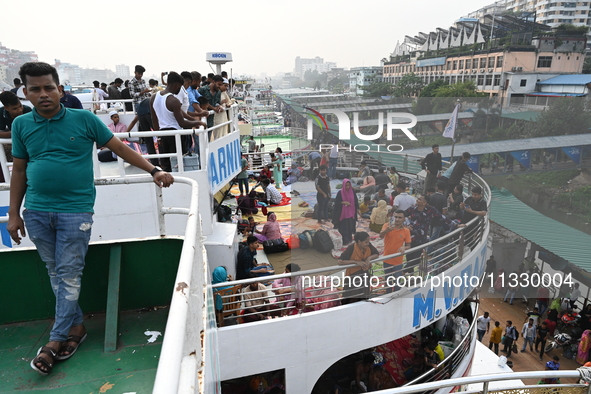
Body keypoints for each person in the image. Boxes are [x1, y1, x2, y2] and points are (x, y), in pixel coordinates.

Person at [7, 62, 174, 376]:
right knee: (56, 272)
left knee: (68, 273)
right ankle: (77, 327)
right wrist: (14, 214)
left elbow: (119, 148)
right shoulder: (21, 126)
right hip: (37, 211)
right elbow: (18, 170)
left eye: (48, 87)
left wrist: (154, 170)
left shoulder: (83, 120)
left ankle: (55, 340)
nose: (43, 94)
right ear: (26, 93)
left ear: (60, 90)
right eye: (35, 89)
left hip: (75, 211)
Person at [149, 72, 206, 172]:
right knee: (178, 164)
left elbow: (154, 119)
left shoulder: (153, 97)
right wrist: (199, 123)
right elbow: (182, 123)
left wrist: (158, 136)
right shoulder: (173, 100)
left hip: (162, 133)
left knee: (166, 165)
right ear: (176, 85)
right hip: (176, 135)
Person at [337, 231, 379, 304]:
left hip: (365, 274)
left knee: (364, 293)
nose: (368, 244)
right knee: (352, 295)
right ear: (359, 242)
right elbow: (340, 261)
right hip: (353, 276)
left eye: (368, 242)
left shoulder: (369, 246)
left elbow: (376, 254)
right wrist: (356, 262)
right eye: (366, 242)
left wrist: (369, 258)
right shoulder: (352, 248)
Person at [0, 91, 32, 182]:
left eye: (20, 106)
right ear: (6, 108)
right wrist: (16, 132)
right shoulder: (1, 113)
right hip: (14, 145)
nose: (20, 110)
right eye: (15, 108)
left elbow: (29, 131)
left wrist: (11, 133)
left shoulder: (27, 110)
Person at [380, 210, 411, 292]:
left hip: (398, 261)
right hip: (387, 259)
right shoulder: (387, 226)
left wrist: (404, 248)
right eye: (396, 217)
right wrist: (387, 230)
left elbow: (409, 245)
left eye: (400, 217)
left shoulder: (406, 231)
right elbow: (380, 236)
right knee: (388, 282)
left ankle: (397, 298)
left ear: (404, 219)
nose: (397, 219)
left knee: (397, 282)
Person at [332, 179, 359, 245]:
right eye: (346, 185)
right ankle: (344, 240)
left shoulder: (352, 191)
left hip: (351, 213)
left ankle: (349, 239)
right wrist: (343, 202)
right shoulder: (340, 193)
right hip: (343, 214)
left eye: (348, 185)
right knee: (344, 228)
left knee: (350, 227)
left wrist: (357, 209)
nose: (347, 187)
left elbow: (355, 200)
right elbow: (336, 203)